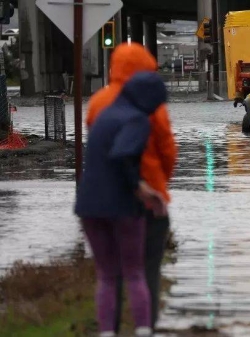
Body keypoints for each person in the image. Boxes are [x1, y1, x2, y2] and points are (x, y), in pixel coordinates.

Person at [87, 42, 178, 332]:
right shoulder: (151, 105)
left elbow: (96, 144)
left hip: (104, 198)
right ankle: (146, 327)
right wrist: (160, 183)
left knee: (109, 273)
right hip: (147, 198)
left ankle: (109, 328)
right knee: (145, 270)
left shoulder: (98, 101)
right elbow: (168, 150)